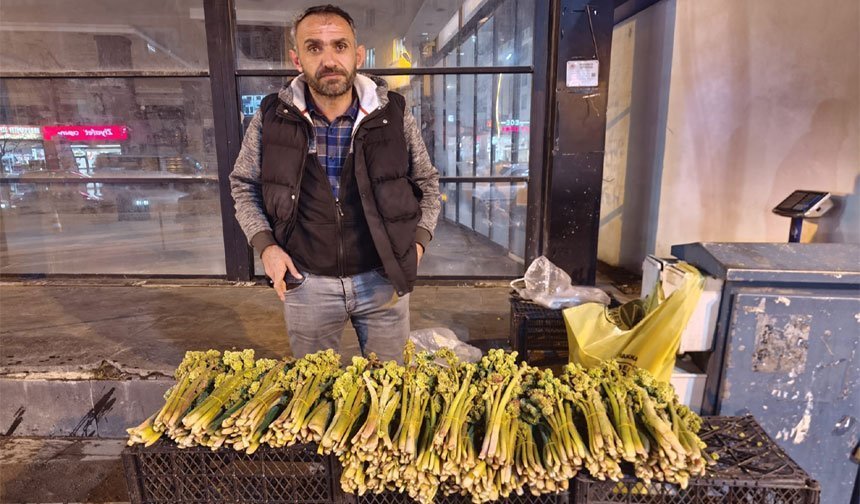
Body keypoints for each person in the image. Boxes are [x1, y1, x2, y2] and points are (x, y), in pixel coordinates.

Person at [230, 4, 440, 362]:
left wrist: (416, 246)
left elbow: (428, 185)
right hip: (306, 283)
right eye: (314, 47)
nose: (329, 59)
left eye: (339, 46)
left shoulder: (393, 113)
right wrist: (266, 248)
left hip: (382, 280)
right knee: (316, 391)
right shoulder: (271, 116)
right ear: (297, 59)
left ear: (357, 55)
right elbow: (243, 185)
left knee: (389, 390)